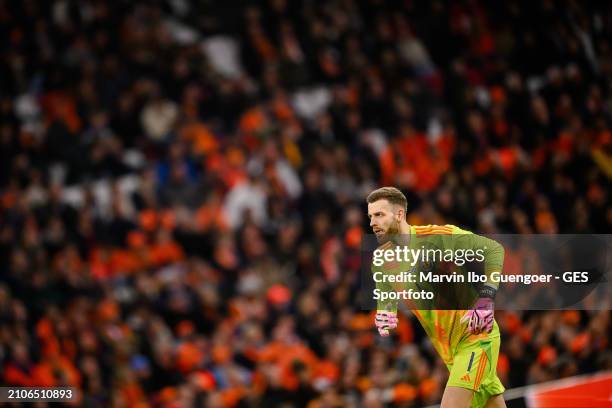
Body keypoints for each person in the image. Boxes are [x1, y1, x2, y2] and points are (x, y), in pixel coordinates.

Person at [367, 186, 506, 408]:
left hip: (476, 337)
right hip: (449, 353)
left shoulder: (437, 237)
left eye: (379, 214)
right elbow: (386, 301)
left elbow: (494, 250)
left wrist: (486, 298)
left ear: (400, 214)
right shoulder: (382, 261)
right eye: (371, 216)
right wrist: (385, 316)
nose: (373, 223)